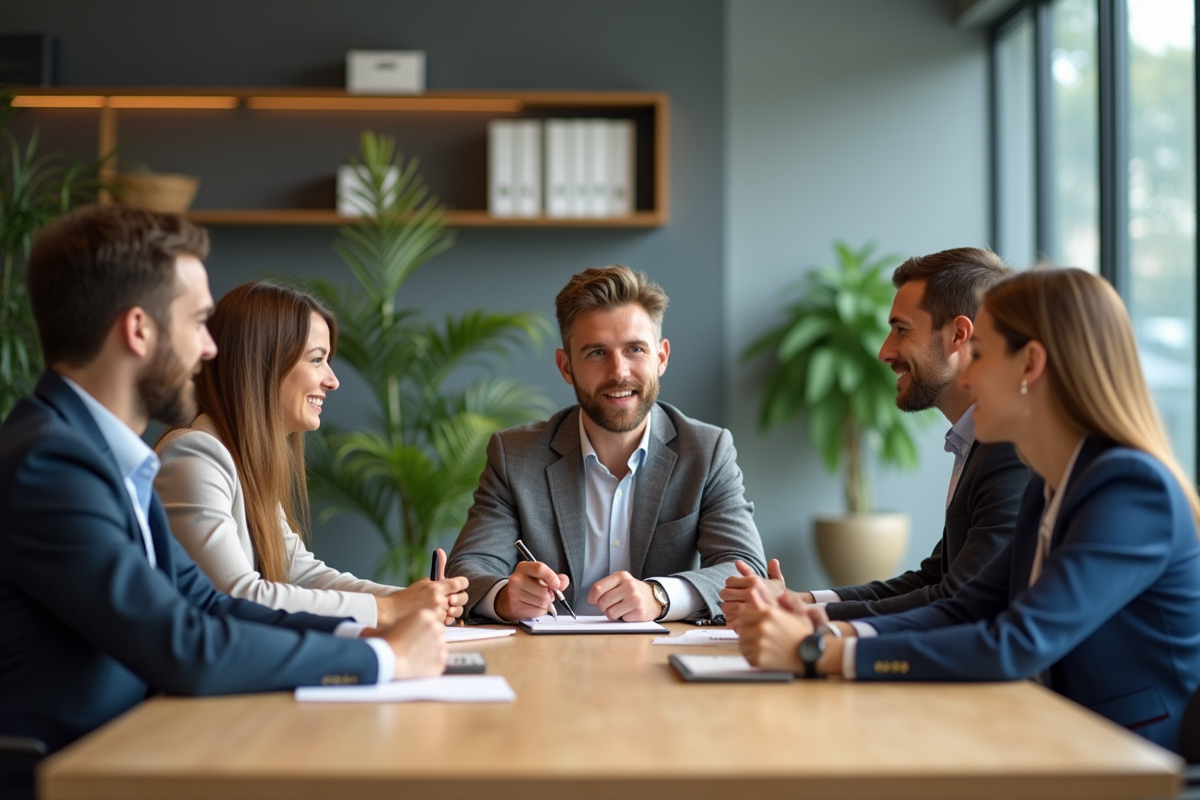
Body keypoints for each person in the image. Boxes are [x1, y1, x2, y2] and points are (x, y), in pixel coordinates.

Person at [0, 206, 446, 793]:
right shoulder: (51, 463)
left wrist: (365, 637)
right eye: (199, 323)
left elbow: (206, 605)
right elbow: (184, 645)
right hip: (71, 772)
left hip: (133, 747)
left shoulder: (103, 456)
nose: (211, 349)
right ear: (139, 330)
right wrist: (385, 661)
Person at [736, 267, 1200, 753]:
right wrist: (824, 626)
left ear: (1030, 365)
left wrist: (822, 653)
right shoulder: (1052, 481)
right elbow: (966, 606)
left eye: (979, 355)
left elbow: (1017, 642)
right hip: (1049, 735)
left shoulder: (1127, 486)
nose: (969, 374)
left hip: (1127, 761)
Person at [722, 247, 1031, 624]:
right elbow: (935, 579)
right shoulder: (978, 444)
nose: (885, 351)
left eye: (902, 330)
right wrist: (800, 601)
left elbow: (960, 599)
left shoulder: (1012, 449)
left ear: (958, 335)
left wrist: (814, 623)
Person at [447, 264, 766, 622]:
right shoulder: (515, 456)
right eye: (597, 353)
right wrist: (504, 596)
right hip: (548, 663)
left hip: (660, 661)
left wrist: (660, 596)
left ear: (660, 357)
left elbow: (745, 571)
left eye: (634, 350)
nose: (619, 372)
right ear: (566, 367)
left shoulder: (706, 451)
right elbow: (467, 569)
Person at [155, 281, 468, 627]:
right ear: (262, 364)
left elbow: (302, 574)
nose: (332, 380)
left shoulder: (242, 460)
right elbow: (238, 596)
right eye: (317, 360)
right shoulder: (194, 457)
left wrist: (411, 599)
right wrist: (391, 610)